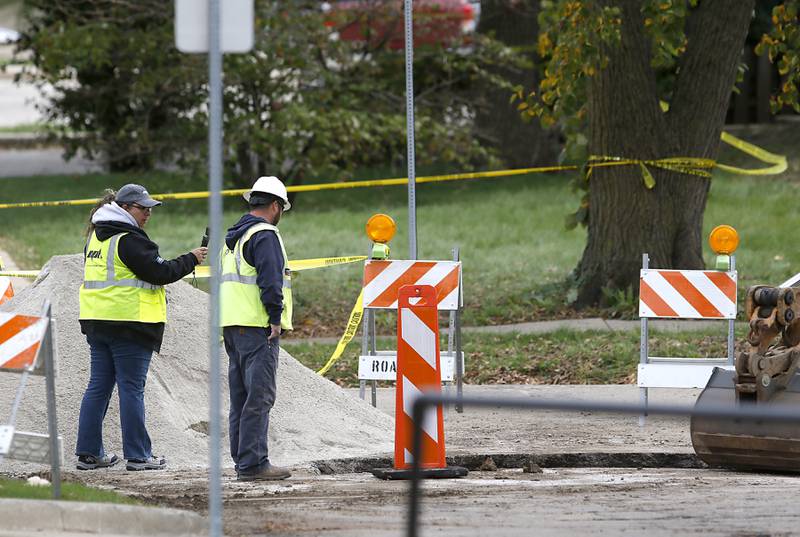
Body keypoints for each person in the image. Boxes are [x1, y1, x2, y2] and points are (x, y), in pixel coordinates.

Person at [76, 184, 208, 471]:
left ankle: (88, 454)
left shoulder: (96, 238)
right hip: (130, 325)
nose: (148, 212)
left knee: (98, 387)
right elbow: (161, 272)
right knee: (131, 388)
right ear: (124, 208)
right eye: (142, 207)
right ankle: (138, 455)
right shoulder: (130, 240)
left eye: (150, 207)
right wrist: (191, 258)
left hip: (97, 323)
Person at [220, 175, 293, 481]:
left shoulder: (236, 237)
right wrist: (275, 318)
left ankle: (243, 460)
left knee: (241, 398)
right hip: (258, 327)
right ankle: (253, 463)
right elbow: (270, 282)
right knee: (259, 397)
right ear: (275, 206)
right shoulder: (265, 235)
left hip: (233, 325)